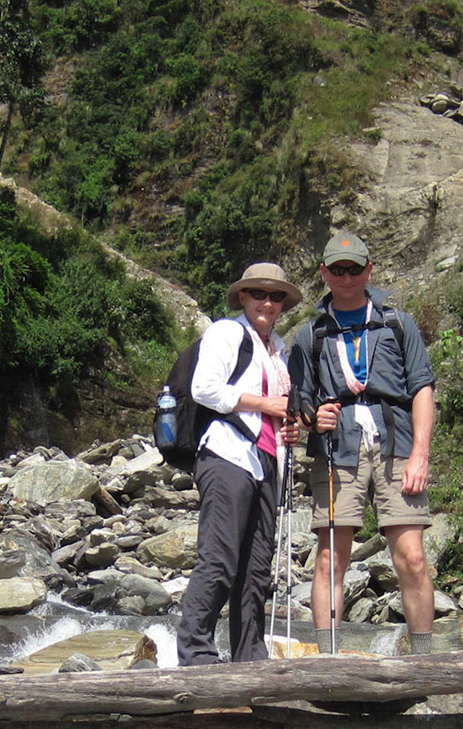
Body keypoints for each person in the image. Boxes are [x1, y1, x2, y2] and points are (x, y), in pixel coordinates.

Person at [289, 231, 439, 653]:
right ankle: (329, 660)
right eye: (337, 269)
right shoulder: (310, 336)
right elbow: (299, 404)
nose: (346, 276)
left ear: (369, 270)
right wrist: (313, 418)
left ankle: (424, 662)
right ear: (324, 273)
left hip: (396, 445)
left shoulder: (397, 323)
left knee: (411, 556)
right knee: (329, 559)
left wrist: (420, 456)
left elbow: (423, 389)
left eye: (354, 268)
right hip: (338, 450)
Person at [175, 262, 299, 665]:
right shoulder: (228, 332)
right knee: (220, 558)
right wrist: (268, 404)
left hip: (266, 463)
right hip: (227, 455)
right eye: (259, 294)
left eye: (276, 296)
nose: (268, 302)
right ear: (242, 297)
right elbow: (204, 388)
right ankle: (196, 654)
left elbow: (278, 412)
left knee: (256, 569)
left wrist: (290, 426)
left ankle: (250, 656)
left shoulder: (278, 349)